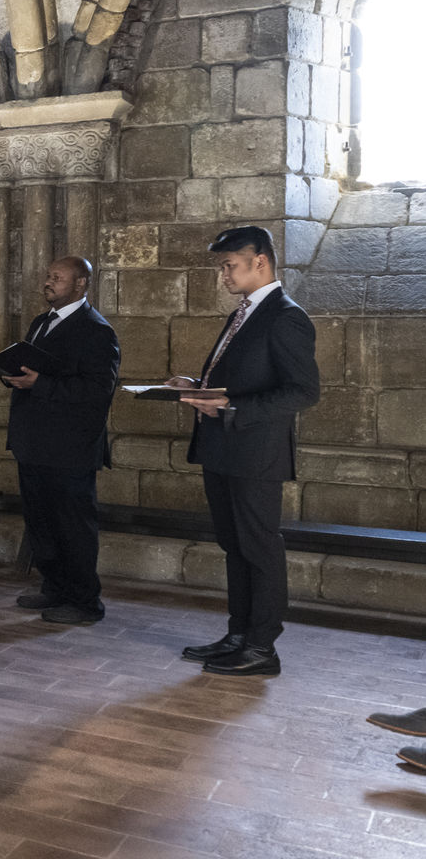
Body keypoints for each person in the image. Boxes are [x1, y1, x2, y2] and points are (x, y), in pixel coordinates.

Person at [171, 225, 319, 677]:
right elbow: (244, 379)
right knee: (234, 545)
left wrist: (232, 407)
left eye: (229, 265)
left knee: (259, 547)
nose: (223, 275)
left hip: (255, 452)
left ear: (260, 261)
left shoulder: (285, 316)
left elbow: (302, 392)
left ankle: (261, 647)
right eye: (221, 266)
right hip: (224, 448)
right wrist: (197, 388)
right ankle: (238, 635)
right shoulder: (246, 312)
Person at [4, 256, 121, 625]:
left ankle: (85, 601)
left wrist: (40, 383)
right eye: (48, 276)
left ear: (81, 283)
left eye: (57, 277)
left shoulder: (96, 330)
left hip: (69, 446)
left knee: (73, 525)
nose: (48, 282)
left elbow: (99, 389)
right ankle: (54, 587)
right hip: (34, 441)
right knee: (42, 521)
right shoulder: (42, 322)